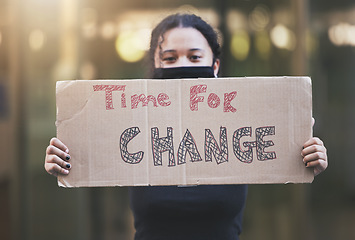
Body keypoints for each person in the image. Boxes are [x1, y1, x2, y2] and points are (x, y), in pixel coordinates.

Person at [45, 13, 328, 240]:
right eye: (170, 58)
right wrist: (62, 160)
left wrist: (305, 154)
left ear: (215, 65)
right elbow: (85, 154)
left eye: (194, 57)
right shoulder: (127, 121)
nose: (182, 65)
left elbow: (288, 155)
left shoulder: (243, 119)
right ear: (155, 65)